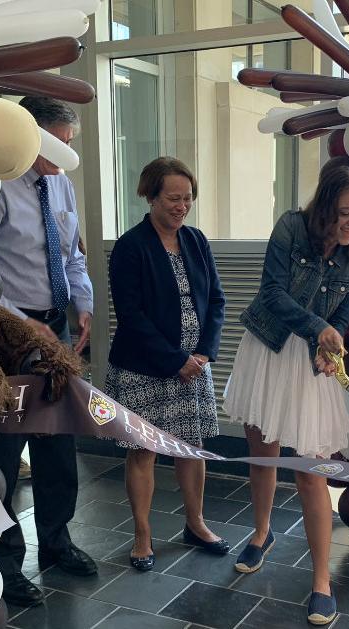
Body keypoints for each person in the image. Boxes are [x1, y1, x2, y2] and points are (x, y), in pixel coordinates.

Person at [225, 165, 349, 626]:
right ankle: (262, 532)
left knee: (312, 469)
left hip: (311, 356)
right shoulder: (291, 226)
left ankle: (321, 580)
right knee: (263, 449)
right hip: (268, 347)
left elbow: (344, 315)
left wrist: (330, 348)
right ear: (325, 207)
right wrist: (319, 329)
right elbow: (270, 294)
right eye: (345, 212)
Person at [0, 96, 97, 607]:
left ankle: (57, 541)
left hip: (55, 331)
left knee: (57, 445)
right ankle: (6, 564)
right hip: (7, 333)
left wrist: (83, 305)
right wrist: (25, 325)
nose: (65, 156)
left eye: (71, 147)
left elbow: (71, 253)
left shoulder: (62, 183)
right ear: (30, 136)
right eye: (59, 145)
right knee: (5, 453)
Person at [106, 157, 230, 571]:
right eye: (173, 198)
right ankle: (142, 535)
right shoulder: (130, 246)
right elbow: (131, 315)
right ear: (150, 196)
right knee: (144, 452)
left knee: (191, 449)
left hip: (194, 367)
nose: (182, 206)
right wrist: (175, 360)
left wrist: (204, 353)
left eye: (188, 199)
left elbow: (215, 301)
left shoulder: (196, 240)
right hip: (145, 369)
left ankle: (195, 524)